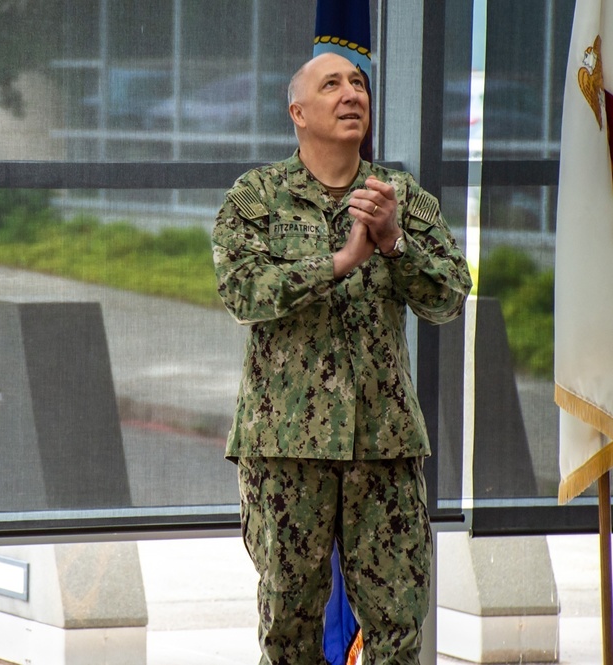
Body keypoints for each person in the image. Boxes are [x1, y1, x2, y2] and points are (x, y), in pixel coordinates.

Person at [212, 53, 472, 664]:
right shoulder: (257, 196)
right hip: (284, 448)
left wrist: (394, 243)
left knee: (398, 624)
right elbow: (242, 292)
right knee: (289, 623)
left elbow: (449, 297)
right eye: (332, 85)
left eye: (358, 84)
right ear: (298, 112)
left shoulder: (398, 196)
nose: (351, 93)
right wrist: (339, 262)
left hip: (383, 446)